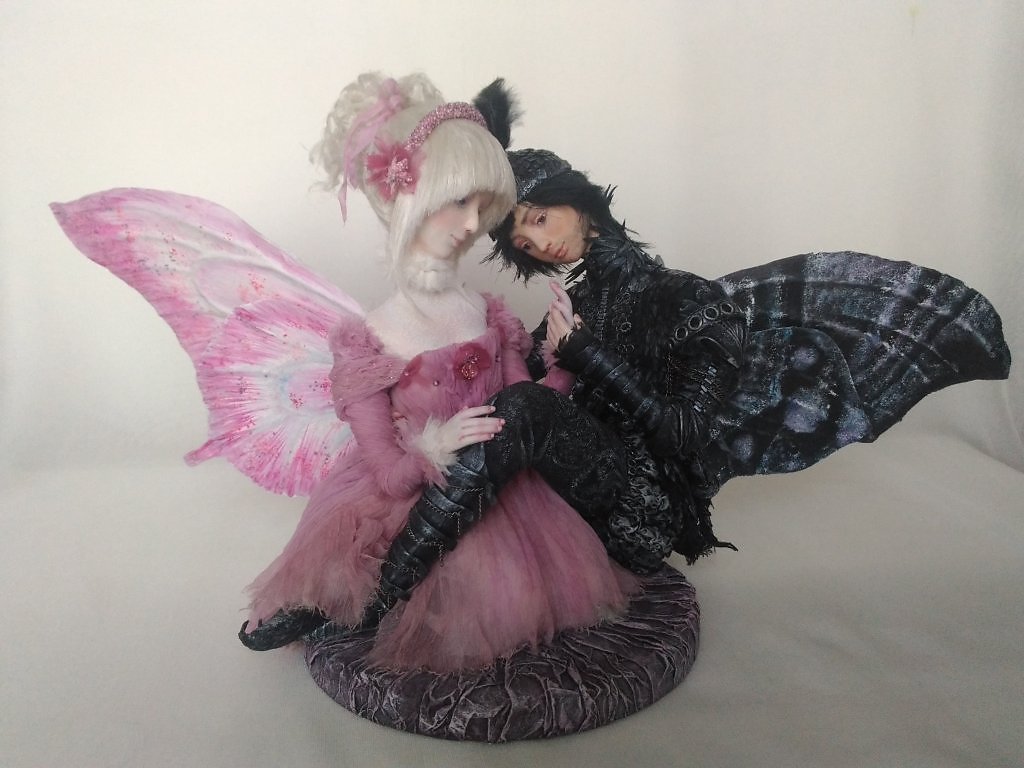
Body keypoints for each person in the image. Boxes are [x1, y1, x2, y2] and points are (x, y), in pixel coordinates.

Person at [238, 74, 636, 672]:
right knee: (413, 590)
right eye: (458, 202)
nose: (474, 224)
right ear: (410, 201)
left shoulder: (487, 313)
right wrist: (434, 445)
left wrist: (563, 359)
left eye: (481, 205)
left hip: (505, 494)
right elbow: (390, 474)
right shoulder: (371, 337)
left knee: (507, 591)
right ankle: (352, 607)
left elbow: (524, 410)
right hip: (409, 496)